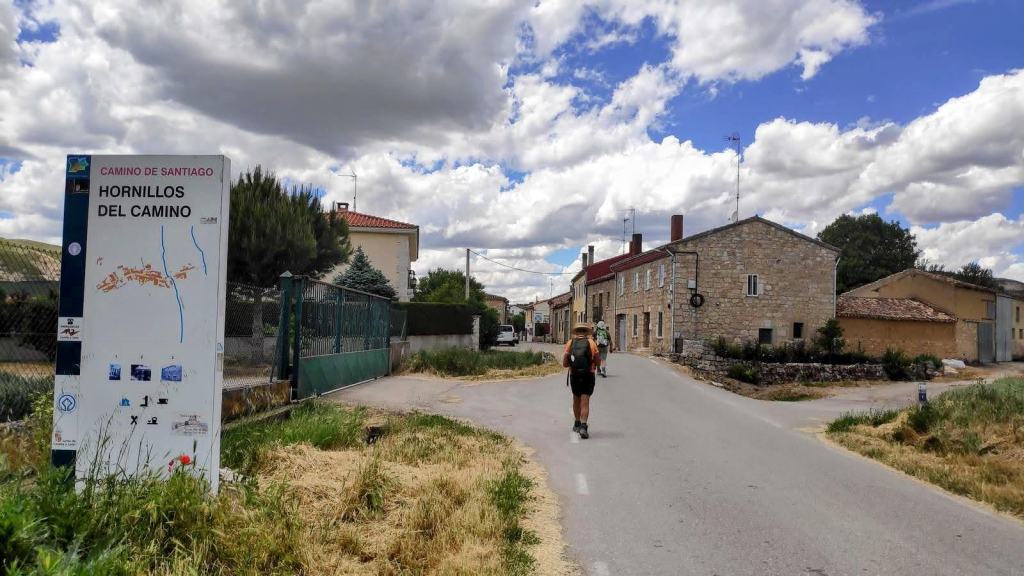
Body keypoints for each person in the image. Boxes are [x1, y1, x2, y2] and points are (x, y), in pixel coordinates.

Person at [563, 324, 599, 439]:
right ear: (586, 332)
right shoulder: (592, 343)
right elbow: (598, 362)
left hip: (574, 375)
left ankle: (577, 423)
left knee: (576, 399)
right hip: (588, 375)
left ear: (576, 332)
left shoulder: (570, 343)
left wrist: (571, 364)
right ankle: (583, 426)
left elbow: (565, 363)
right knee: (585, 401)